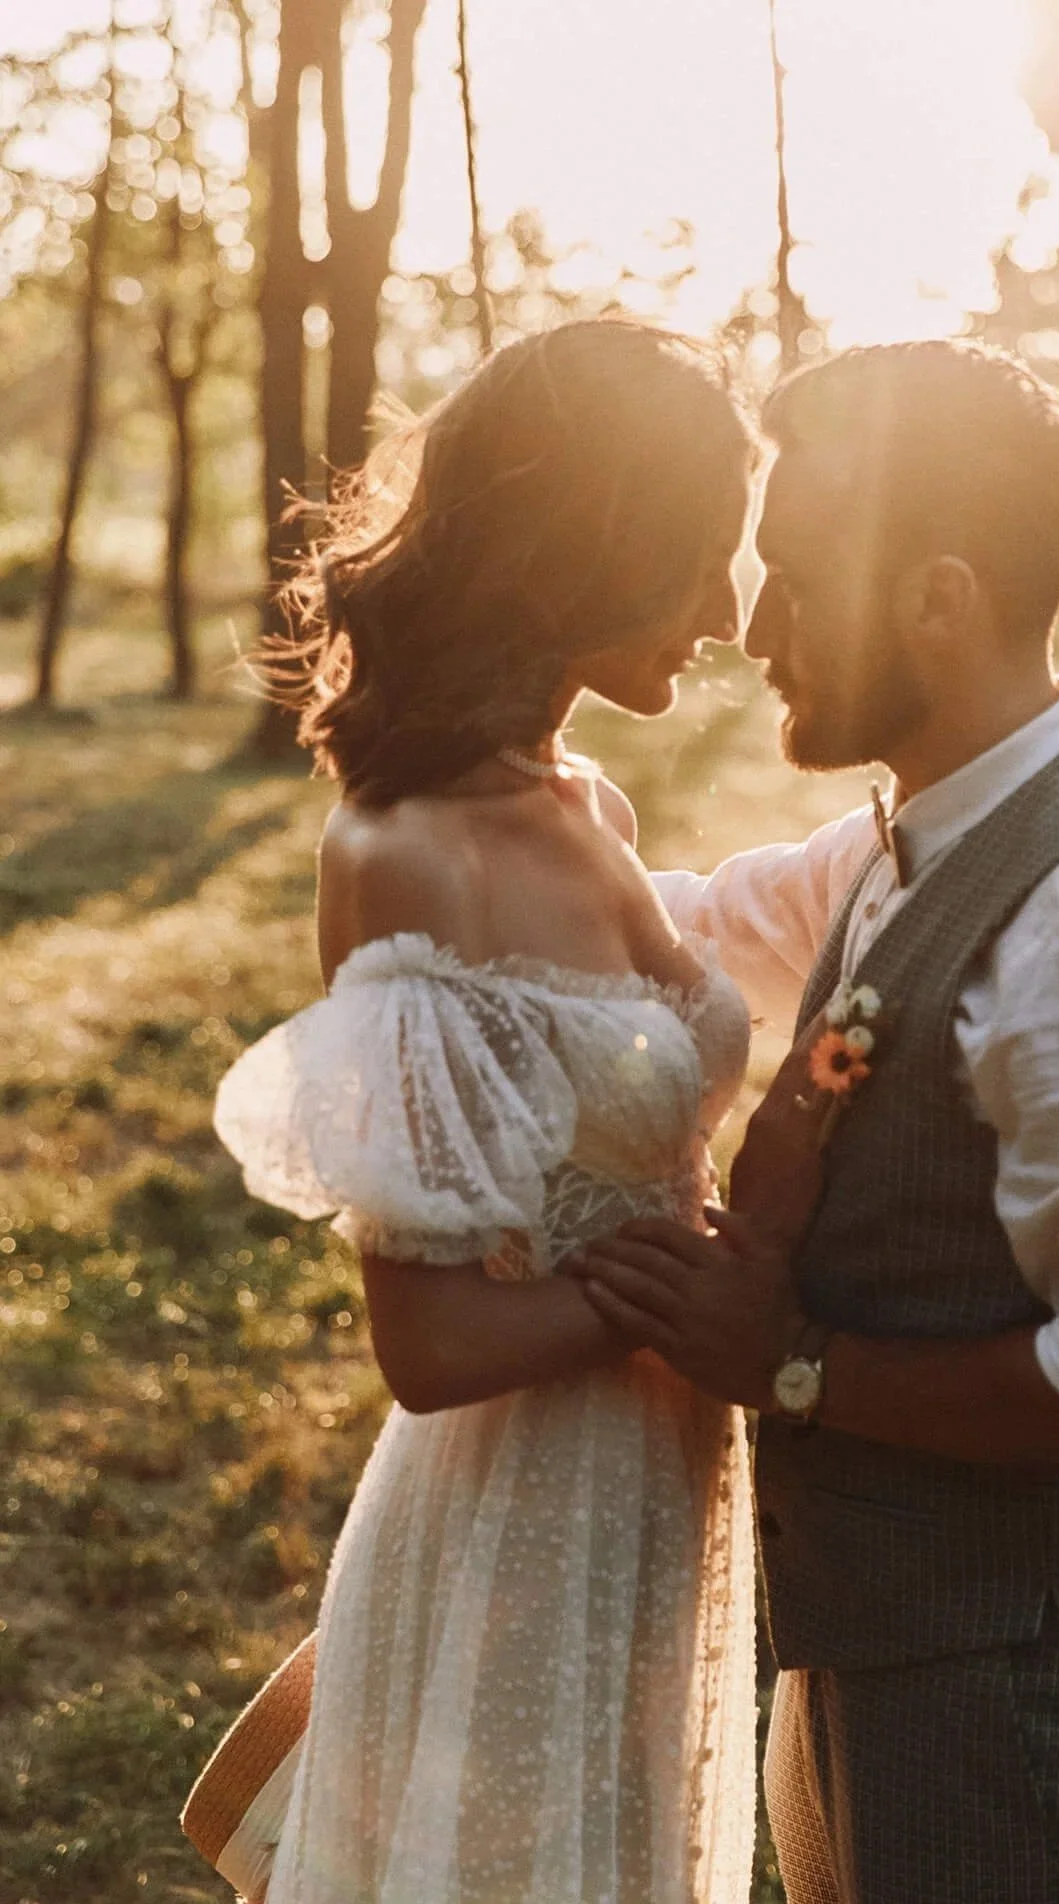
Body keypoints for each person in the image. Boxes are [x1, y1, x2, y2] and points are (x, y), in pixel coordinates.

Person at [572, 340, 1059, 1903]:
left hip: (1025, 1714)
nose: (753, 632)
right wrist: (484, 800)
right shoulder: (911, 829)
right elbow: (675, 930)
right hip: (876, 1653)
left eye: (797, 580)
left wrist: (792, 1370)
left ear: (938, 600)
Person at [211, 319, 766, 1904]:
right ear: (585, 546)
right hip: (524, 1520)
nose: (728, 613)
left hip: (664, 1491)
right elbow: (430, 1347)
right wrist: (675, 1293)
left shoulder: (590, 803)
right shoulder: (404, 856)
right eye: (696, 558)